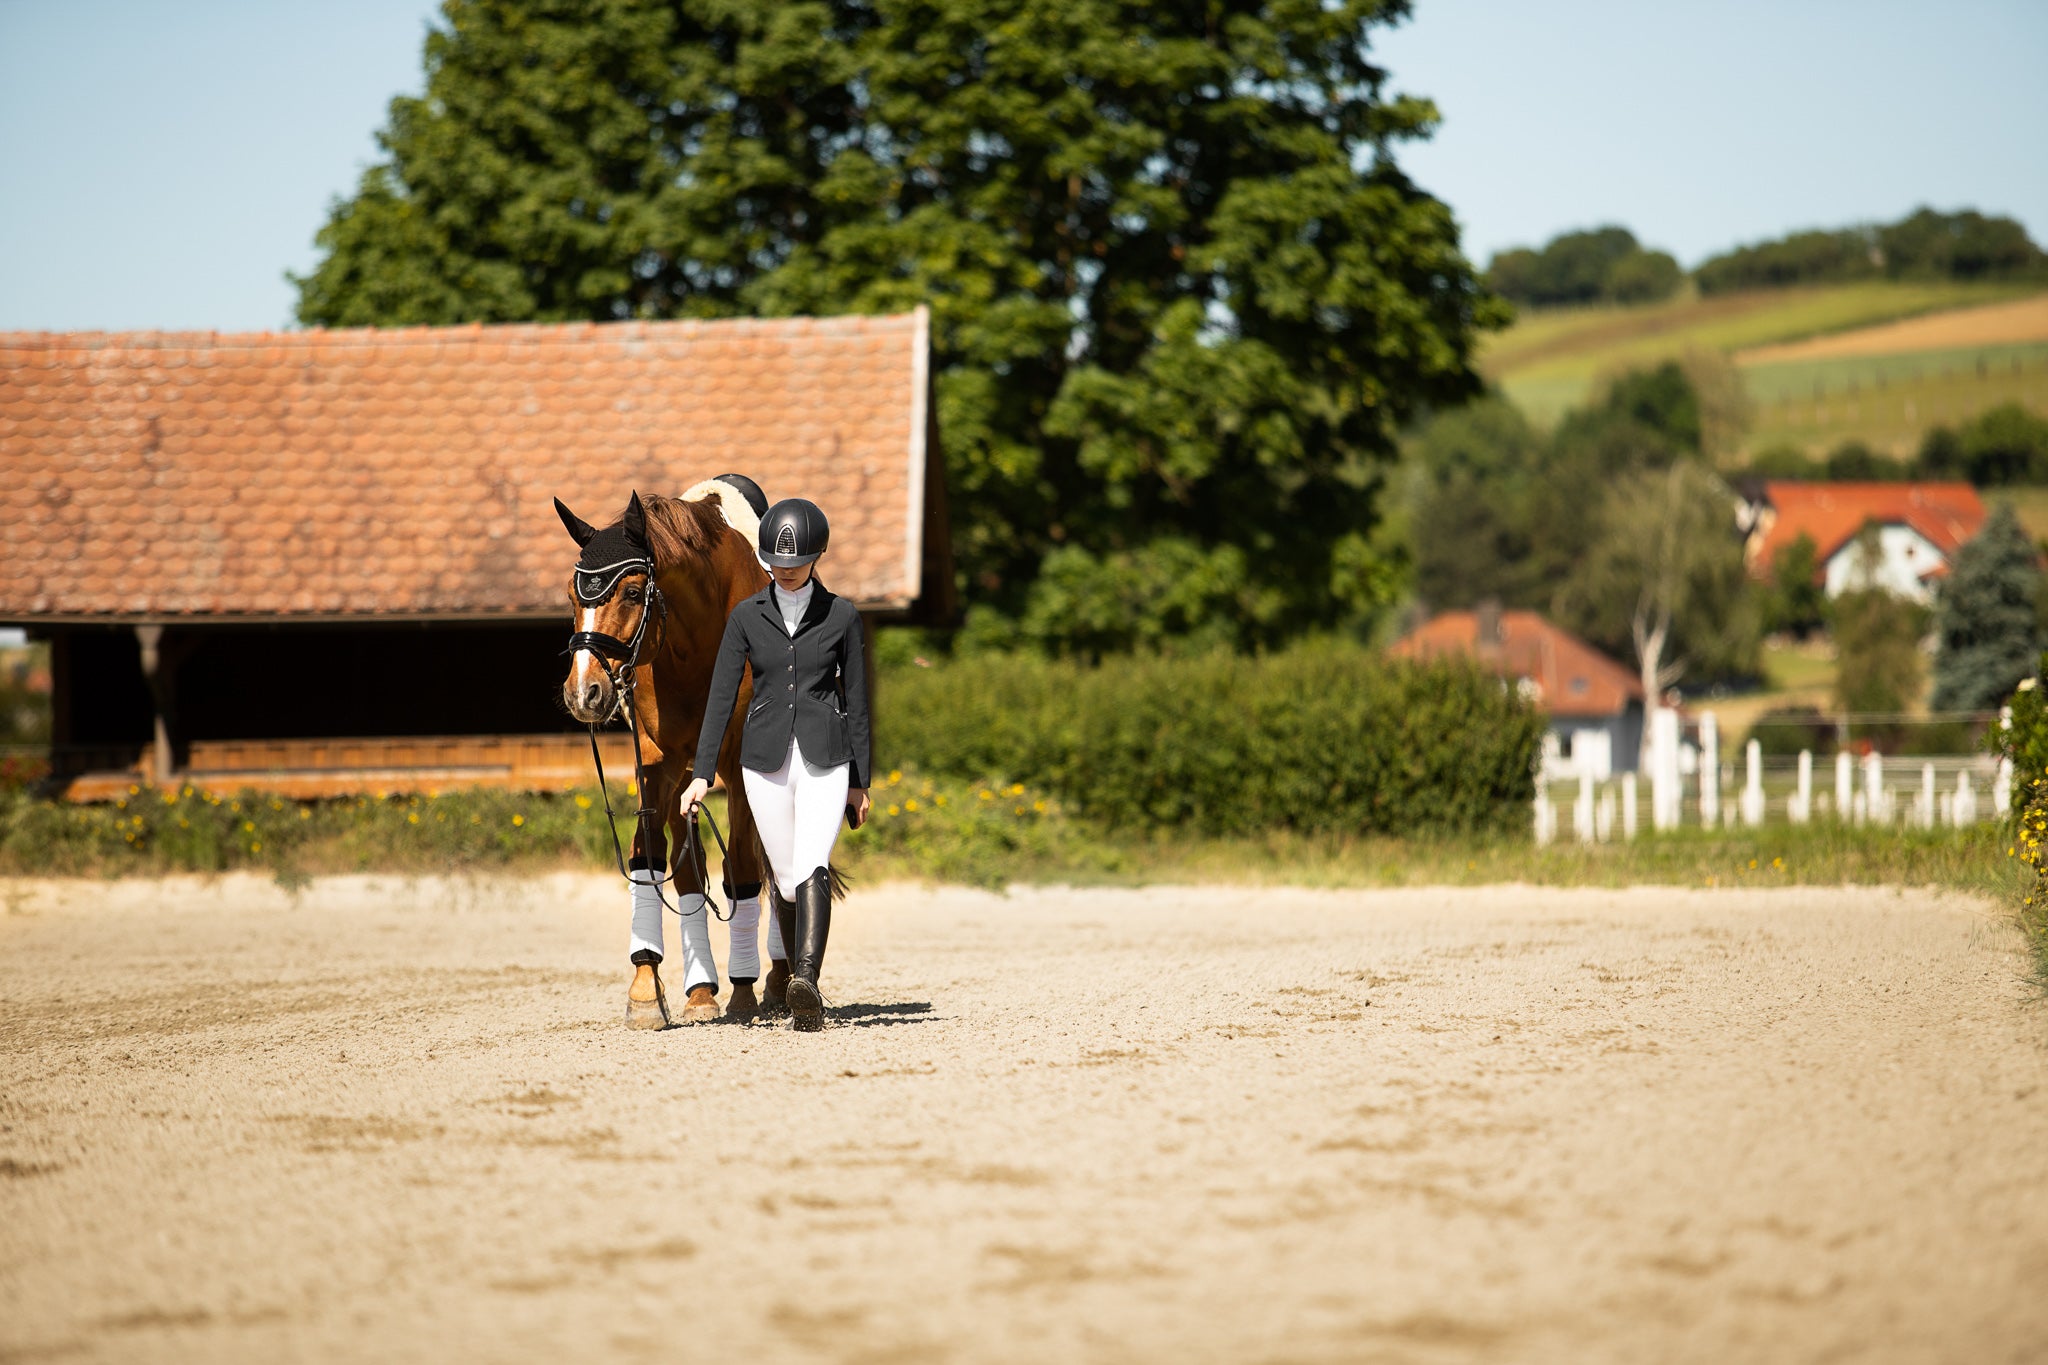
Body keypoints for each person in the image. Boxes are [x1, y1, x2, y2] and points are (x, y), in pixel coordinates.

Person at [681, 497, 871, 1032]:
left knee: (812, 862)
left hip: (826, 757)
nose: (784, 571)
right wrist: (700, 774)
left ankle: (804, 981)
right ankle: (799, 987)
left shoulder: (842, 615)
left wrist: (860, 781)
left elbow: (857, 702)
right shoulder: (745, 616)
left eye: (795, 562)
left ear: (816, 556)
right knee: (786, 878)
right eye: (776, 563)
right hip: (762, 760)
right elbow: (721, 696)